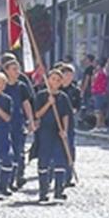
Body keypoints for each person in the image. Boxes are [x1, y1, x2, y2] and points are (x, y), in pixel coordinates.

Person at [29, 66, 75, 203]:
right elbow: (37, 114)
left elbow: (66, 115)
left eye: (58, 80)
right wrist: (48, 104)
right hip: (45, 130)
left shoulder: (63, 97)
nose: (55, 81)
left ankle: (59, 190)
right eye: (53, 79)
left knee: (60, 159)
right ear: (48, 80)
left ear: (61, 83)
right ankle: (43, 191)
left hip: (58, 130)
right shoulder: (42, 95)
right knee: (44, 160)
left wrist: (64, 130)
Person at [0, 56, 34, 190]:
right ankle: (3, 178)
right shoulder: (1, 85)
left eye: (18, 69)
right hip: (3, 122)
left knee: (18, 151)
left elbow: (26, 104)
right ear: (6, 70)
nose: (17, 71)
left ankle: (15, 177)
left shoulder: (21, 86)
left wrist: (30, 120)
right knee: (6, 152)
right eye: (14, 69)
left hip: (18, 122)